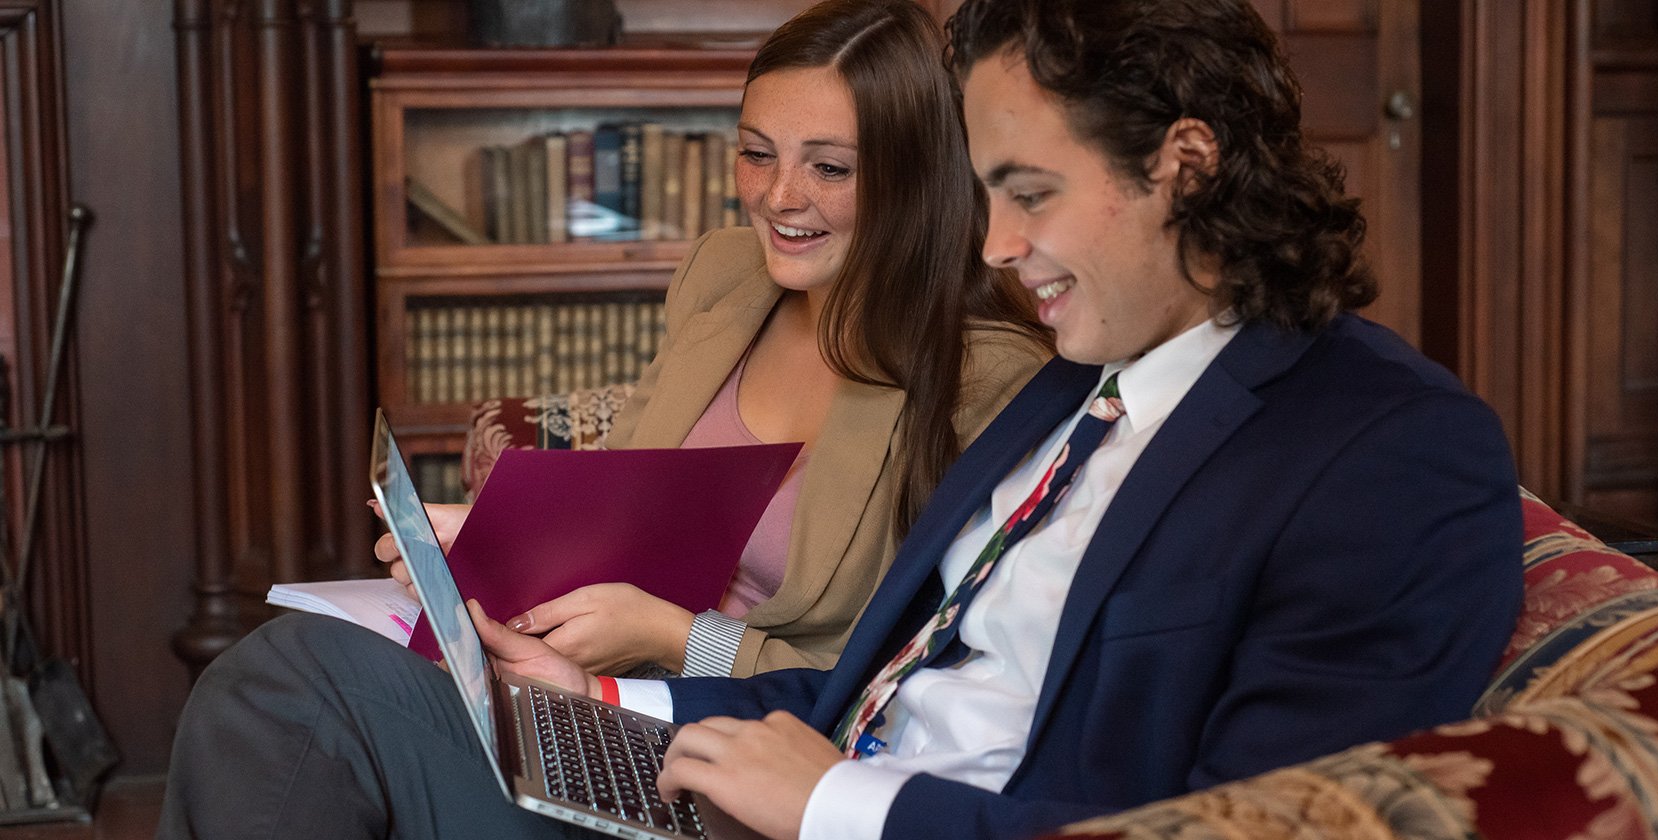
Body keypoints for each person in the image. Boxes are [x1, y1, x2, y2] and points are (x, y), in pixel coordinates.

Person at [158, 1, 1524, 838]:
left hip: (838, 821)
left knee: (288, 700)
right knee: (298, 694)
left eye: (1031, 193)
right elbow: (872, 682)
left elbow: (1253, 827)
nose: (991, 243)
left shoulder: (1384, 450)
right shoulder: (1074, 391)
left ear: (1183, 165)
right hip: (759, 777)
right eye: (982, 192)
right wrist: (621, 697)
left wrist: (825, 804)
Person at [374, 0, 1051, 680]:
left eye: (830, 169)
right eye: (757, 154)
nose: (780, 196)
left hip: (759, 739)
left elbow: (922, 679)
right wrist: (491, 544)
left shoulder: (990, 378)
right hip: (583, 684)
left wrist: (674, 638)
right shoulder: (723, 275)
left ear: (920, 178)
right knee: (319, 664)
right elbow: (620, 507)